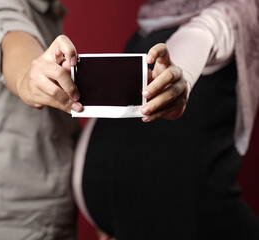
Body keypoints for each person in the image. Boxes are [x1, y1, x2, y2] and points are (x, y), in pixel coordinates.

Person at [72, 0, 259, 239]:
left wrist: (178, 75)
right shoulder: (151, 22)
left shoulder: (231, 15)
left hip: (189, 221)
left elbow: (202, 35)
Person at [0, 0, 83, 239]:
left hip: (45, 222)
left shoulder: (46, 11)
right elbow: (11, 41)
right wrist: (29, 75)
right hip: (2, 228)